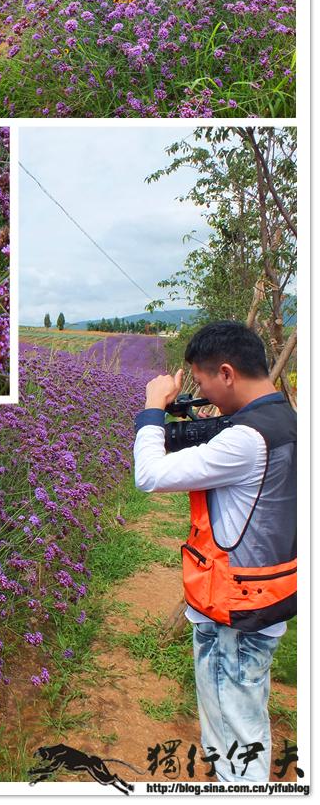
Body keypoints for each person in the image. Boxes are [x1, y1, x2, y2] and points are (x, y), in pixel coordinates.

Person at [133, 321, 296, 786]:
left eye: (201, 381)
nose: (200, 392)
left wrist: (152, 408)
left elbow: (149, 474)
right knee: (244, 725)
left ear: (226, 372)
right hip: (264, 603)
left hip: (232, 619)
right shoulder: (288, 420)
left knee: (234, 747)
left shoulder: (245, 441)